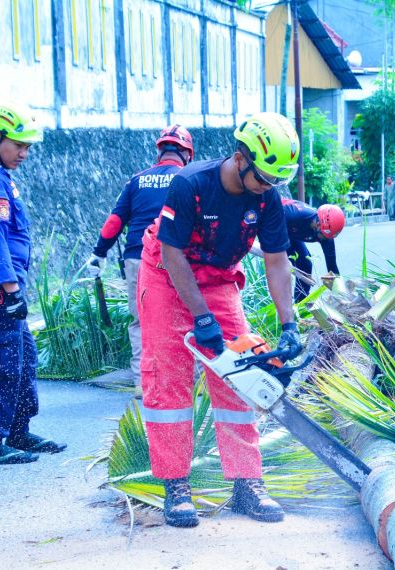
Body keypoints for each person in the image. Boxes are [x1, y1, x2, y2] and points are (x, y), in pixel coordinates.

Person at [137, 112, 303, 528]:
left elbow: (278, 259)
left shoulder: (264, 198)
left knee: (238, 374)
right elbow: (171, 253)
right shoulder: (191, 185)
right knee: (169, 377)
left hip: (218, 279)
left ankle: (247, 482)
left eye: (274, 181)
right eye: (263, 177)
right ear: (240, 157)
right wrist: (201, 319)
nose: (267, 187)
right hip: (165, 276)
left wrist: (289, 323)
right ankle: (176, 484)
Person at [0, 104, 67, 466]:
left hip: (0, 281)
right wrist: (11, 288)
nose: (25, 153)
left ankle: (17, 431)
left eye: (28, 146)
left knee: (24, 357)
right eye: (19, 145)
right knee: (1, 363)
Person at [87, 125, 194, 397]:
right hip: (180, 257)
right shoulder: (189, 178)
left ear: (160, 151)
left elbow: (115, 221)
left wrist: (100, 253)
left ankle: (143, 383)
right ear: (187, 153)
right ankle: (189, 382)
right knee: (187, 315)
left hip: (138, 257)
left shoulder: (136, 180)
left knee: (142, 320)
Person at [281, 199, 345, 302]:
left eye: (327, 237)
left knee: (305, 264)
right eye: (322, 235)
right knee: (281, 267)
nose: (323, 239)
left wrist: (340, 294)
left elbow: (332, 269)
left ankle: (300, 305)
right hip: (272, 221)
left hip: (290, 232)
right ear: (317, 223)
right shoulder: (294, 215)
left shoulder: (327, 236)